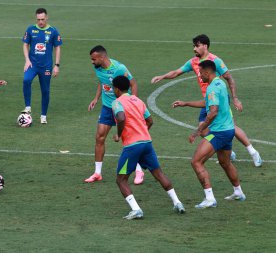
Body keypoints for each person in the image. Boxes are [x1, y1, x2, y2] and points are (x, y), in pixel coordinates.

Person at [151, 34, 262, 167]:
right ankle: (227, 152)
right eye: (193, 46)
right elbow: (176, 72)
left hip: (219, 99)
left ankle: (253, 152)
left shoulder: (215, 61)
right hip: (207, 101)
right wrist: (162, 76)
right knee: (203, 130)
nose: (194, 49)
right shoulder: (193, 62)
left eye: (197, 46)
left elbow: (229, 78)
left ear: (205, 46)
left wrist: (235, 99)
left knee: (230, 126)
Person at [172, 60, 246, 209]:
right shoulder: (220, 83)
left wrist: (198, 131)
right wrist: (186, 103)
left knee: (196, 161)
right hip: (228, 130)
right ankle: (238, 192)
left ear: (207, 72)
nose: (199, 75)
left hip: (218, 133)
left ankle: (210, 198)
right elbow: (207, 103)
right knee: (225, 163)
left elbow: (212, 112)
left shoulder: (212, 88)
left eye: (200, 72)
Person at [111, 76, 185, 219]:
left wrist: (119, 135)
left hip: (132, 146)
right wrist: (142, 132)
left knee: (121, 179)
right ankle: (177, 202)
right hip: (146, 143)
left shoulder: (117, 102)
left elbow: (120, 118)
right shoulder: (138, 100)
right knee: (158, 174)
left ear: (117, 89)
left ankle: (136, 209)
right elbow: (150, 121)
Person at [85, 45, 145, 184]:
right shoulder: (98, 68)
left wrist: (133, 102)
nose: (92, 62)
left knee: (130, 140)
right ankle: (97, 173)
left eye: (94, 59)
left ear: (102, 57)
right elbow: (102, 82)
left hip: (122, 107)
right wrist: (96, 98)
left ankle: (139, 171)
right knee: (99, 137)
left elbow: (133, 84)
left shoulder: (119, 68)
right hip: (107, 107)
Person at [21, 7, 62, 124]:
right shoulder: (30, 29)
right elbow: (25, 45)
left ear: (47, 17)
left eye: (43, 19)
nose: (40, 22)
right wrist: (27, 60)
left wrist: (57, 65)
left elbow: (57, 48)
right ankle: (28, 107)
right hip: (33, 65)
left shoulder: (53, 31)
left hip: (46, 67)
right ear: (36, 18)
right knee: (26, 80)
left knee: (45, 91)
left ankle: (43, 115)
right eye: (38, 19)